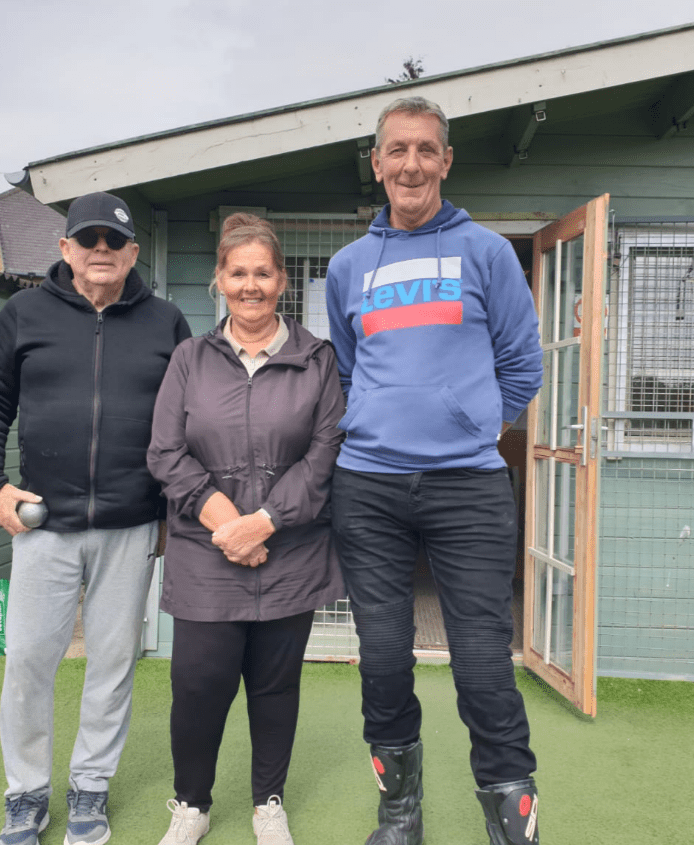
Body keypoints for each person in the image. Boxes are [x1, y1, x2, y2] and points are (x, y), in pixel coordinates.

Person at [325, 97, 544, 845]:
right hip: (368, 487)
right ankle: (400, 815)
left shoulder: (487, 253)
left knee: (482, 665)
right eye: (398, 150)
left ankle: (510, 822)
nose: (411, 164)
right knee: (384, 659)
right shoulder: (348, 266)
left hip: (468, 487)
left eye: (426, 149)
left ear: (446, 161)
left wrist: (473, 426)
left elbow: (522, 365)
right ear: (377, 163)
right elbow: (349, 370)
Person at [0, 191, 191, 845]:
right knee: (28, 662)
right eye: (88, 239)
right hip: (44, 524)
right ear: (64, 248)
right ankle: (26, 794)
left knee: (113, 663)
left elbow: (186, 422)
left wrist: (171, 512)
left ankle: (90, 787)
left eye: (113, 240)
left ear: (133, 252)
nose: (101, 250)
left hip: (131, 525)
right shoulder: (23, 312)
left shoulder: (166, 322)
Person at [147, 213, 346, 845]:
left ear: (281, 280)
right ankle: (192, 805)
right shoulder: (190, 358)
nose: (250, 285)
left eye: (262, 273)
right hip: (206, 551)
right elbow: (165, 453)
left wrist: (264, 523)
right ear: (219, 280)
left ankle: (268, 803)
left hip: (291, 552)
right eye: (238, 273)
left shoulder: (317, 360)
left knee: (274, 686)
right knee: (198, 685)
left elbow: (325, 454)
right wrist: (230, 524)